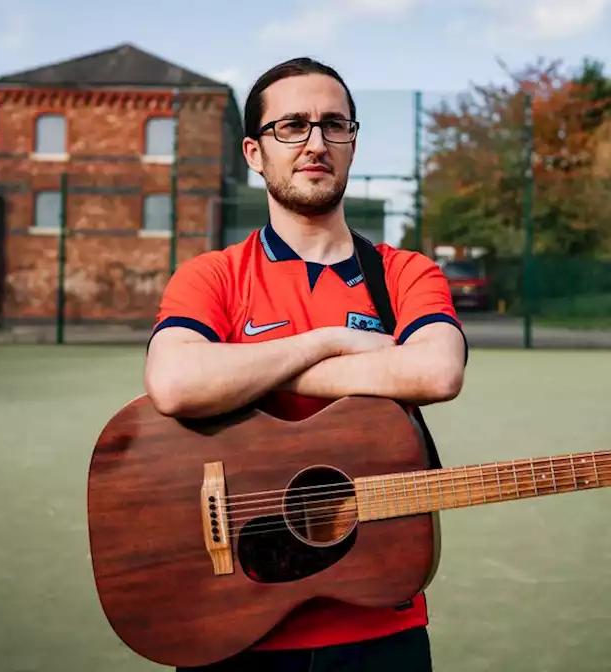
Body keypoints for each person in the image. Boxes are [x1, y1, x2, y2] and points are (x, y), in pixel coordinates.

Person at [143, 56, 468, 672]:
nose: (316, 142)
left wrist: (244, 373)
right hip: (232, 620)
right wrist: (327, 340)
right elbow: (175, 381)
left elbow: (436, 373)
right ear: (253, 152)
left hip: (378, 617)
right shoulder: (212, 276)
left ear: (351, 141)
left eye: (334, 125)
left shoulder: (403, 274)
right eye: (291, 125)